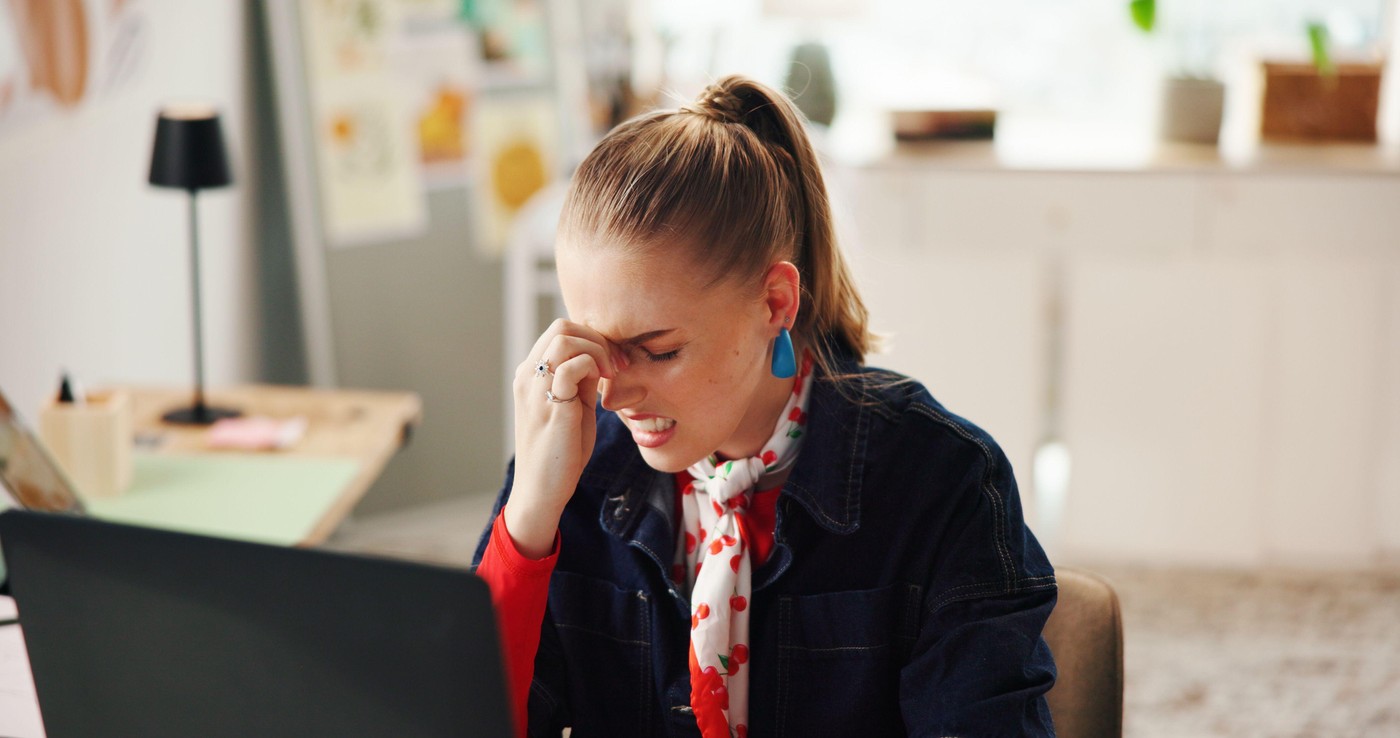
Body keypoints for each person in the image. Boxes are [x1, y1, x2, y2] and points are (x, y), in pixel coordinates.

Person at [473, 75, 1057, 737]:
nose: (612, 392)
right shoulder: (572, 472)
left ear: (776, 302)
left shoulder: (943, 484)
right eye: (596, 346)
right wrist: (528, 519)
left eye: (658, 350)